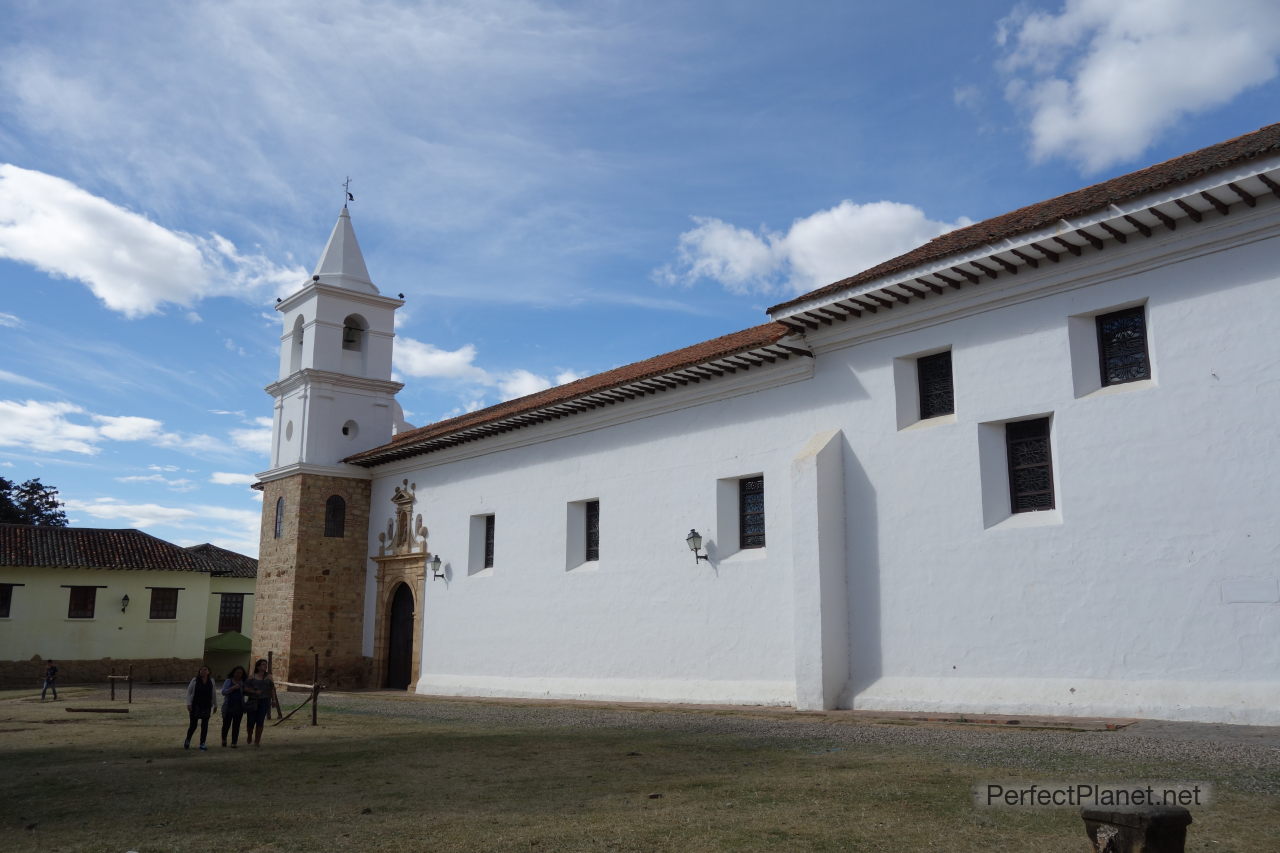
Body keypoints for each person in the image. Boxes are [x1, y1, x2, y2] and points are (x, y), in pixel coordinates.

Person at [184, 665, 215, 750]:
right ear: (199, 671)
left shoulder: (211, 681)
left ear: (208, 672)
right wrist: (188, 704)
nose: (203, 671)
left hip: (207, 706)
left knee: (204, 726)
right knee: (193, 725)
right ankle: (187, 740)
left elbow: (213, 693)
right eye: (201, 670)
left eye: (205, 670)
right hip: (195, 706)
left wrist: (215, 705)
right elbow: (189, 692)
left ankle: (202, 743)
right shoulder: (194, 680)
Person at [243, 658, 273, 747]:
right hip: (253, 701)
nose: (265, 666)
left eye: (266, 664)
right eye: (263, 664)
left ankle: (257, 741)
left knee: (260, 721)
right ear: (258, 666)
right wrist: (254, 692)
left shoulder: (269, 677)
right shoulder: (252, 677)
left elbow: (272, 689)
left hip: (264, 701)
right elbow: (245, 688)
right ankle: (249, 735)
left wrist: (274, 700)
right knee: (251, 721)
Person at [220, 665, 247, 748]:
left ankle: (234, 742)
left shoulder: (243, 682)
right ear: (233, 673)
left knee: (236, 725)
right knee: (226, 725)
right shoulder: (228, 681)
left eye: (241, 673)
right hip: (228, 706)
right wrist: (233, 688)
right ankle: (224, 739)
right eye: (237, 672)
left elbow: (245, 693)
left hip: (239, 707)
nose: (239, 674)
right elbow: (223, 692)